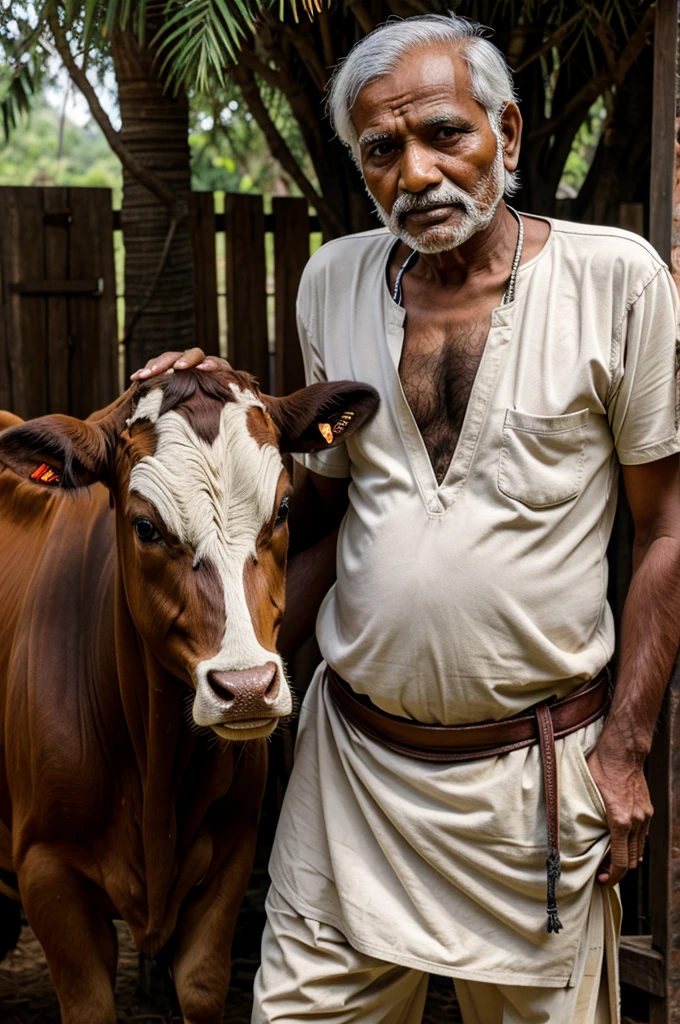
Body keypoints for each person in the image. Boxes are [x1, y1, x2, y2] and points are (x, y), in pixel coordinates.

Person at [135, 13, 680, 1023]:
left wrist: (621, 751)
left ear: (505, 136)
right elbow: (326, 513)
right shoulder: (334, 279)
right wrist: (208, 406)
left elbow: (664, 532)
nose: (416, 172)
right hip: (352, 777)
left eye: (444, 134)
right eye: (382, 150)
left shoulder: (614, 281)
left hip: (532, 789)